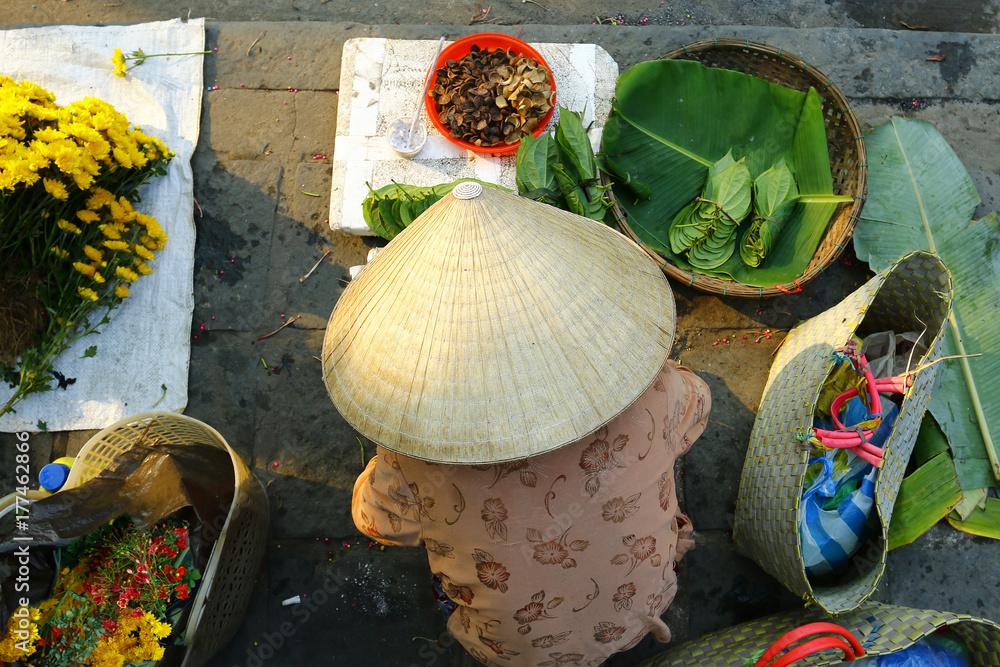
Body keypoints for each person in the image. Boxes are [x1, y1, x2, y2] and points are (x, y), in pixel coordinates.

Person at [324, 182, 711, 666]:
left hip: (512, 649)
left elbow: (376, 522)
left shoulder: (417, 461)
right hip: (644, 602)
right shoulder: (658, 390)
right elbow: (698, 408)